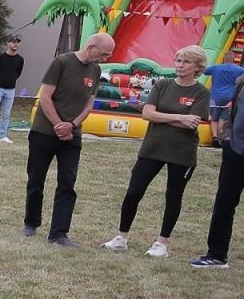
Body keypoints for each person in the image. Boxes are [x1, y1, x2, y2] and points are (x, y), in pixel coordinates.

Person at [102, 46, 209, 258]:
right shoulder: (163, 84)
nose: (180, 65)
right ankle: (121, 237)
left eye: (186, 62)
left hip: (182, 152)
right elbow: (148, 114)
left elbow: (193, 123)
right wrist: (179, 117)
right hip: (152, 148)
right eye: (178, 60)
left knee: (173, 196)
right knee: (134, 192)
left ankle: (161, 243)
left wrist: (165, 116)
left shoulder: (201, 92)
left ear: (197, 67)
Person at [23, 32, 115, 245]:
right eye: (103, 54)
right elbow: (45, 98)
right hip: (44, 132)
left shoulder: (95, 70)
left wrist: (71, 126)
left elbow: (89, 104)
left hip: (71, 136)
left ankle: (59, 233)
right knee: (36, 179)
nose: (105, 59)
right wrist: (58, 124)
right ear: (91, 46)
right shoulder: (62, 62)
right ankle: (31, 223)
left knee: (67, 182)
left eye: (107, 55)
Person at [191, 93, 244, 269]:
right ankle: (217, 255)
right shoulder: (242, 82)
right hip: (235, 151)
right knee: (224, 204)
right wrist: (226, 136)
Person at [202, 48, 244, 145]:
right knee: (223, 118)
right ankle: (220, 137)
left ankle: (215, 136)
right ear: (233, 58)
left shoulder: (215, 68)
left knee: (214, 117)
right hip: (230, 97)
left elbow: (204, 71)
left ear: (223, 58)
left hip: (215, 96)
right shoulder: (239, 69)